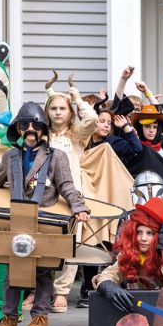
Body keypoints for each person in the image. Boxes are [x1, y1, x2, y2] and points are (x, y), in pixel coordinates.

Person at [0, 102, 91, 326]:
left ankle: (40, 317)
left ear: (44, 129)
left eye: (36, 124)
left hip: (45, 219)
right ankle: (9, 318)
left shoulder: (57, 157)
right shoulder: (10, 156)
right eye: (25, 124)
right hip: (17, 219)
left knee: (44, 270)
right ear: (19, 129)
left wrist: (79, 206)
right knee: (12, 269)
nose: (31, 129)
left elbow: (67, 186)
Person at [44, 76, 98, 313]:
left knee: (70, 244)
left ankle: (62, 291)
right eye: (53, 108)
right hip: (44, 195)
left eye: (62, 108)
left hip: (71, 198)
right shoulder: (42, 134)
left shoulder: (77, 135)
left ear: (69, 112)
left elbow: (93, 119)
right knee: (45, 242)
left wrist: (76, 98)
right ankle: (41, 290)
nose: (58, 113)